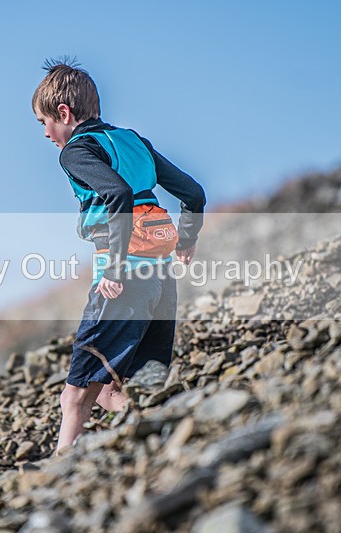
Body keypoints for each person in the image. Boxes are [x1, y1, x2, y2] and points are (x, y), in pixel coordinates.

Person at [32, 60, 207, 450]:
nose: (45, 133)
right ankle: (173, 438)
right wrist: (185, 240)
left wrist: (113, 267)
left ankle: (57, 475)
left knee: (75, 396)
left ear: (64, 113)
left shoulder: (75, 152)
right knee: (120, 388)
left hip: (121, 276)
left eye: (44, 122)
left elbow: (118, 195)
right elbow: (193, 192)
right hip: (161, 276)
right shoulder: (134, 140)